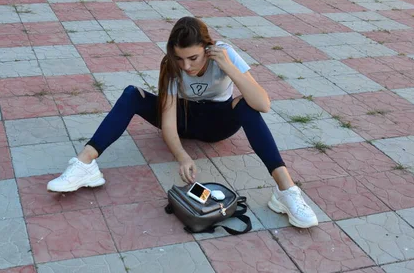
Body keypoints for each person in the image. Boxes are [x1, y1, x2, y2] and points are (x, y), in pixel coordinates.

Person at [47, 16, 318, 229]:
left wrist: (228, 67)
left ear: (207, 48)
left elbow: (263, 104)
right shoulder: (171, 65)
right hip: (183, 120)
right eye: (179, 58)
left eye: (193, 58)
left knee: (247, 105)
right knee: (132, 94)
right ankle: (85, 164)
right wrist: (182, 156)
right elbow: (167, 120)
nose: (186, 66)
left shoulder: (225, 54)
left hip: (217, 124)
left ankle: (286, 191)